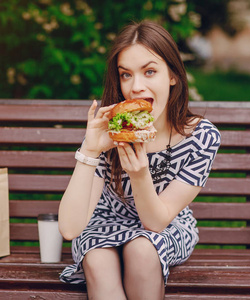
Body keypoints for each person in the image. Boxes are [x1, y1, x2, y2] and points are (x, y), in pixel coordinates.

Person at [58, 20, 221, 299]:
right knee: (96, 257)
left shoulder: (202, 137)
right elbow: (70, 229)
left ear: (172, 75)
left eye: (149, 71)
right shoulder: (111, 131)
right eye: (126, 75)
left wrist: (140, 174)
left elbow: (156, 223)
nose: (136, 87)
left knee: (142, 248)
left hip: (167, 225)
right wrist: (90, 150)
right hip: (104, 223)